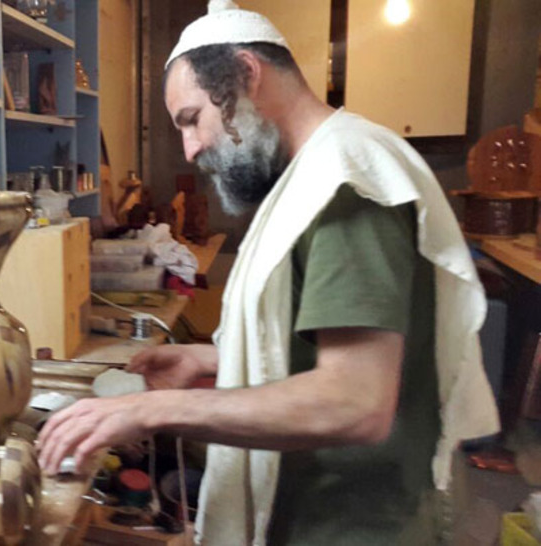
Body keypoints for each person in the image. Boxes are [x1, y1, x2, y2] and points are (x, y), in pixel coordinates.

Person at [36, 1, 500, 544]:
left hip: (358, 526)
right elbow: (317, 338)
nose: (191, 148)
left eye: (192, 119)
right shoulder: (310, 173)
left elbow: (356, 403)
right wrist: (211, 358)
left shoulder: (345, 182)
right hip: (313, 509)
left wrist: (155, 410)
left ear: (246, 74)